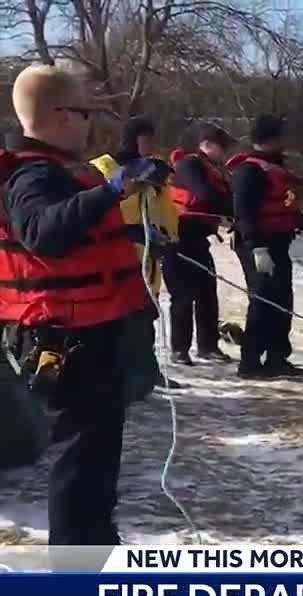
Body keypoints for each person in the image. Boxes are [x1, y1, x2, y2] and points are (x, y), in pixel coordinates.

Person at [0, 62, 159, 544]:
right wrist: (111, 192)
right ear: (62, 115)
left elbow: (79, 232)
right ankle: (77, 568)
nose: (91, 123)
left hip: (88, 333)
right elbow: (42, 232)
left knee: (95, 459)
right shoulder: (31, 174)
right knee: (80, 463)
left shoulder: (56, 170)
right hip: (66, 340)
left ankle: (95, 548)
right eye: (87, 113)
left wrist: (132, 222)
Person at [89, 116, 182, 398]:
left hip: (148, 259)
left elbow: (166, 211)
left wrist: (170, 239)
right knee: (122, 321)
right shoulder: (103, 168)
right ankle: (123, 377)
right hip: (117, 259)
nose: (152, 144)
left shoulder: (153, 174)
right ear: (133, 139)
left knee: (146, 315)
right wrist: (128, 231)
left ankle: (147, 372)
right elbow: (93, 209)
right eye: (147, 138)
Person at [228, 114, 303, 380]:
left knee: (283, 301)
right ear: (272, 138)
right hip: (257, 246)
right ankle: (250, 363)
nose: (285, 141)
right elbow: (244, 213)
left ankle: (276, 358)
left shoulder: (274, 167)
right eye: (281, 136)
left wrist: (299, 221)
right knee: (262, 302)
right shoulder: (250, 171)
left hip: (279, 244)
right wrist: (257, 248)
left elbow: (283, 203)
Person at [166, 123, 235, 364]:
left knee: (207, 292)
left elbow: (221, 197)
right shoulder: (190, 164)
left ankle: (208, 346)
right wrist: (230, 208)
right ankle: (179, 350)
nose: (225, 153)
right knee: (182, 295)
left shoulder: (215, 170)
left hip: (198, 238)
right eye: (222, 147)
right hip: (178, 236)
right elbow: (205, 193)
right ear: (206, 145)